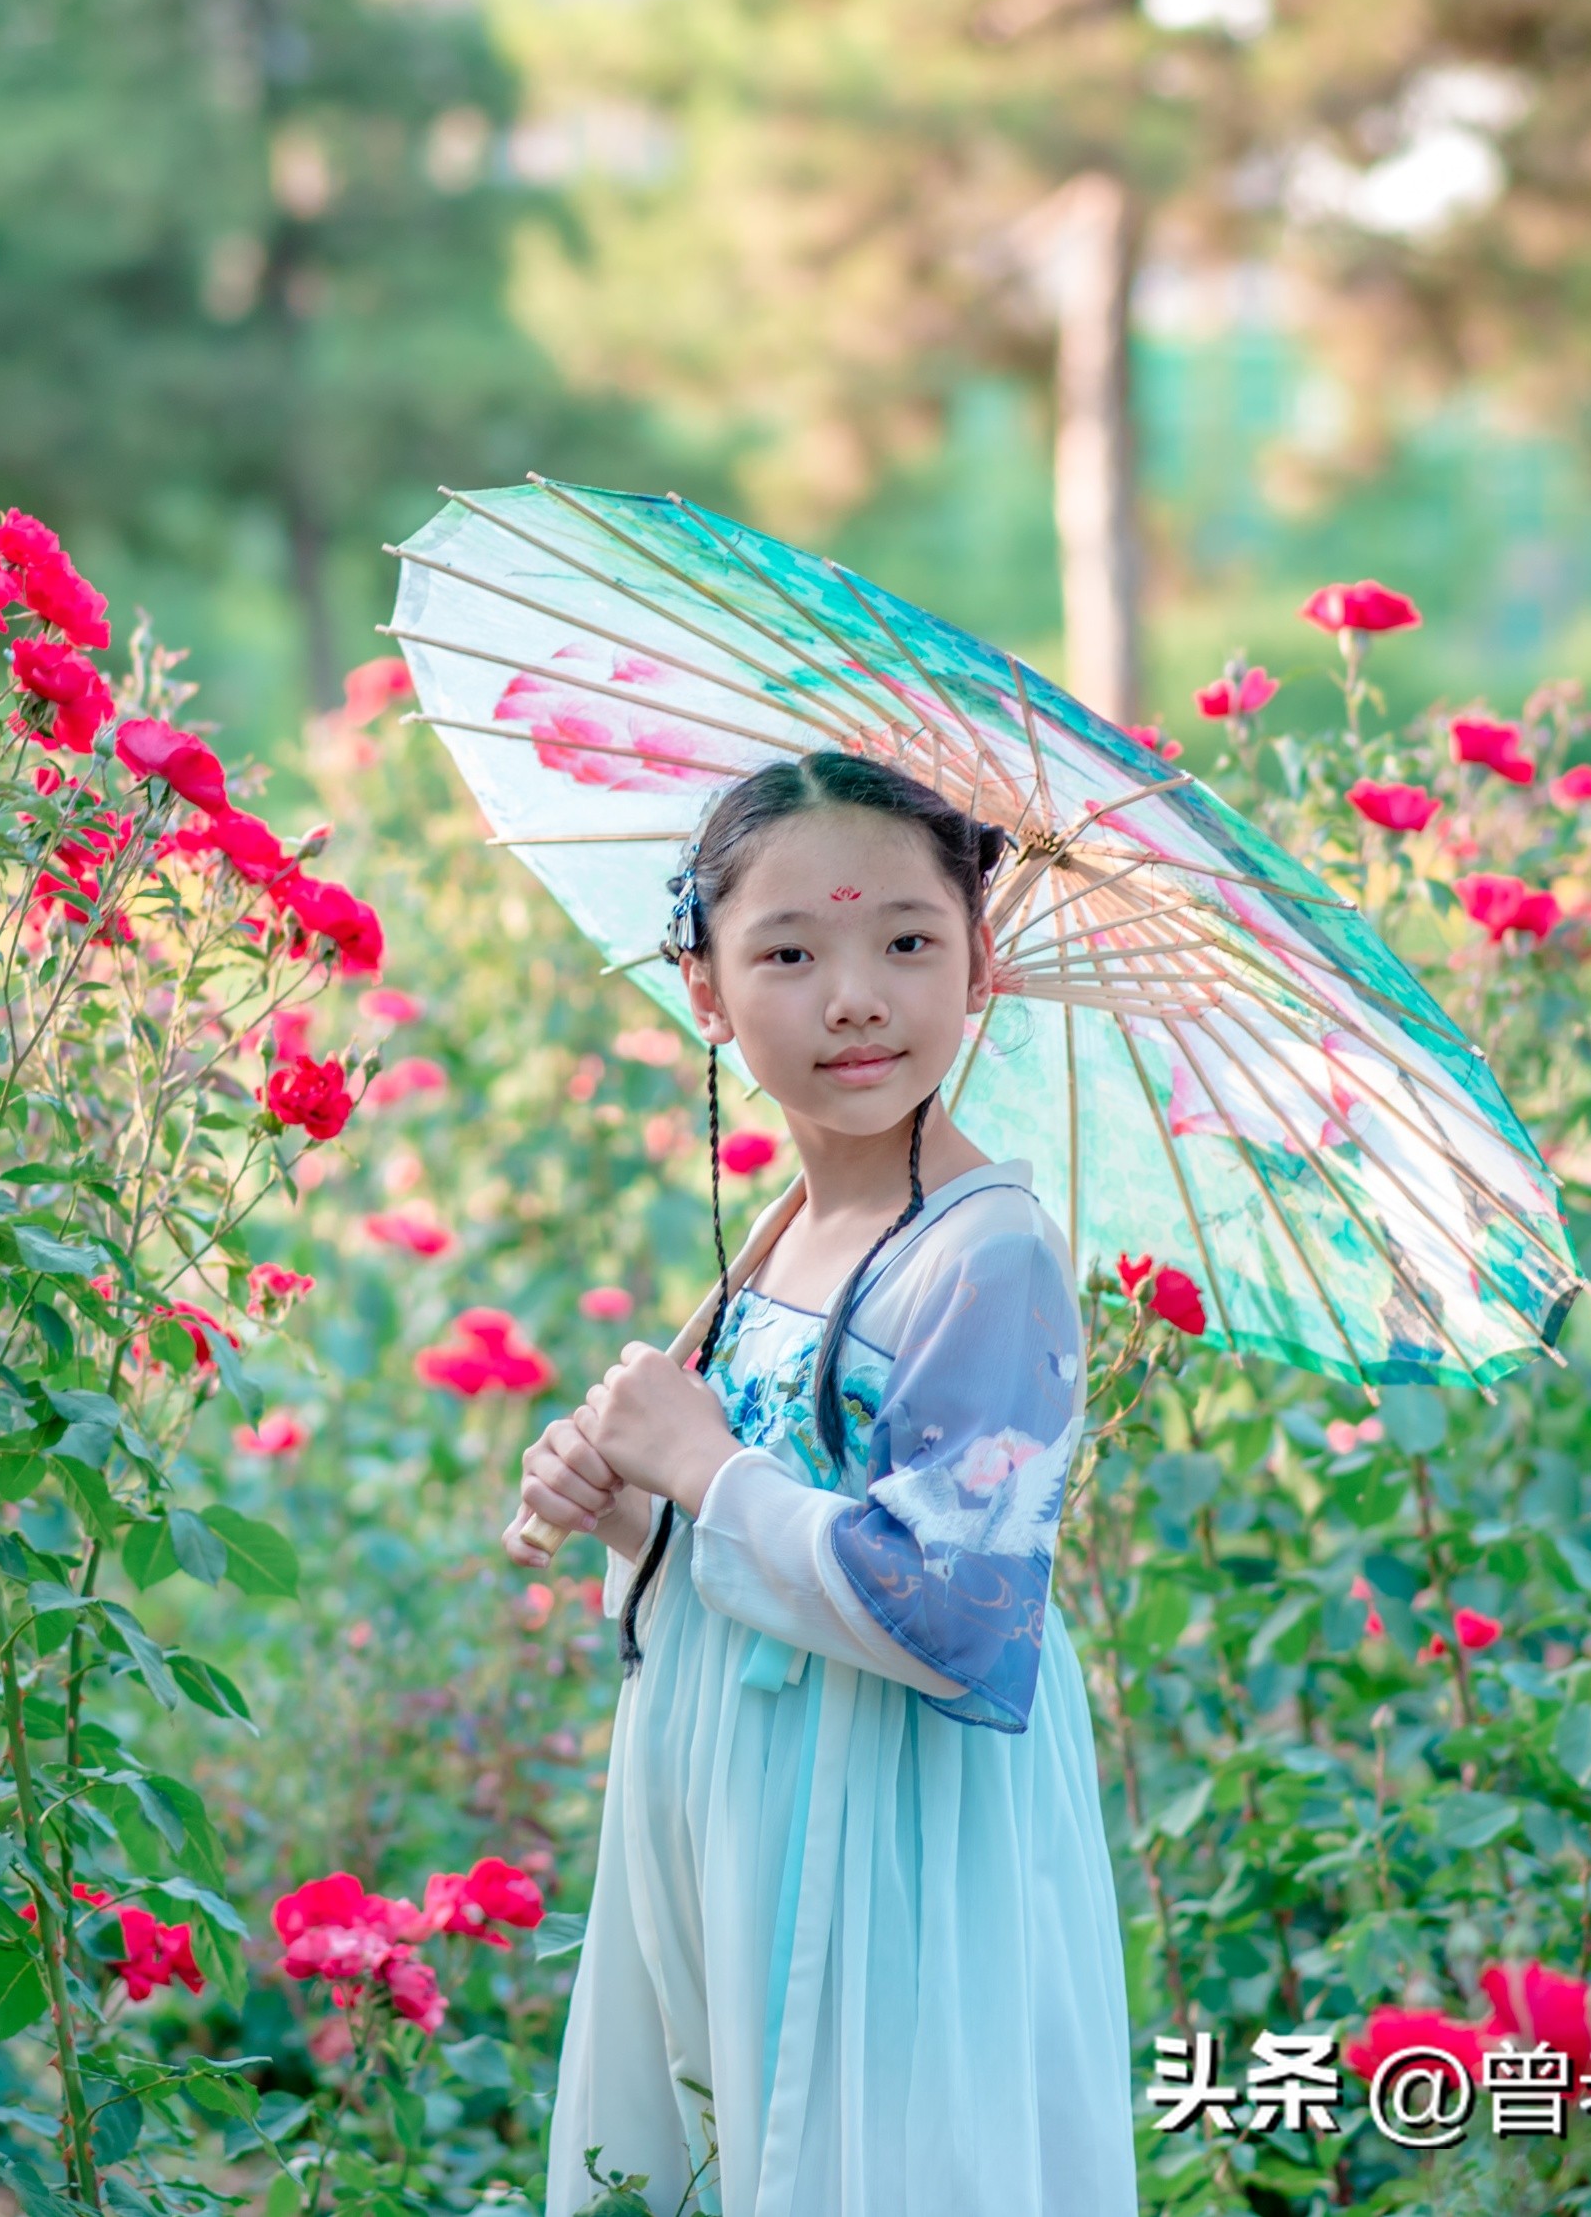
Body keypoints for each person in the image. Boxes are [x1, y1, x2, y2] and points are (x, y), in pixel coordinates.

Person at [510, 749, 1138, 2217]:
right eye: (789, 951)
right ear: (706, 990)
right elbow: (750, 1525)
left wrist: (707, 1468)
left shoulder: (987, 1256)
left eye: (909, 941)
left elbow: (962, 1616)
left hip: (897, 1823)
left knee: (870, 2150)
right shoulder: (790, 1229)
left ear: (980, 962)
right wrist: (634, 1509)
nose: (855, 996)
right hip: (737, 1785)